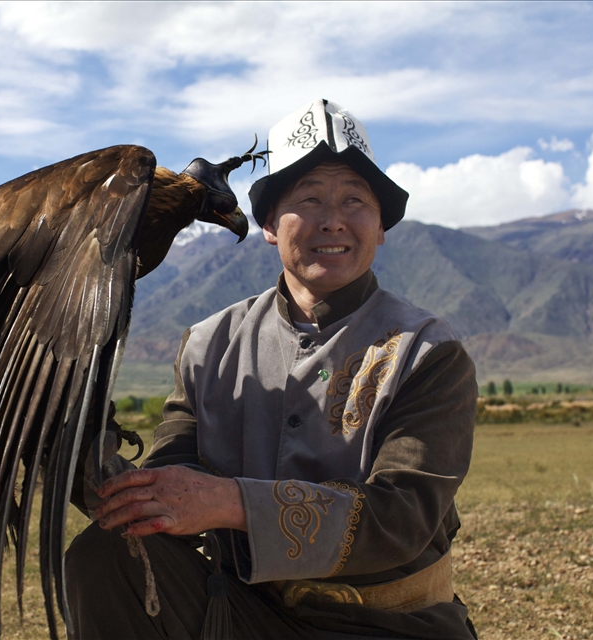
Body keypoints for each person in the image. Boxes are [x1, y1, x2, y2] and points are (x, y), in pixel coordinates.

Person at [65, 99, 479, 640]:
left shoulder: (427, 353)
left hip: (388, 624)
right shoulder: (209, 345)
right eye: (309, 199)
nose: (333, 219)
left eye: (355, 200)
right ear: (267, 224)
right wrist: (81, 454)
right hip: (240, 613)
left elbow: (401, 518)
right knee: (106, 552)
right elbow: (169, 485)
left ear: (381, 227)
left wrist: (232, 502)